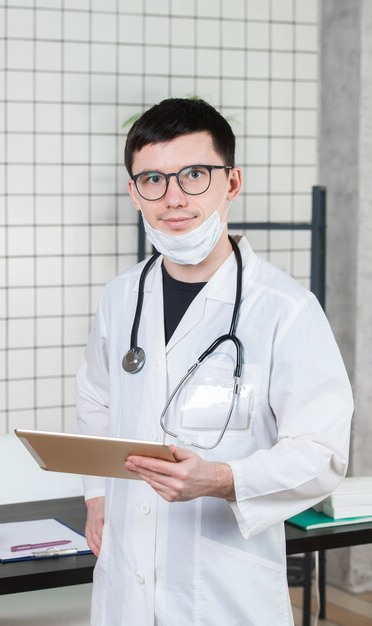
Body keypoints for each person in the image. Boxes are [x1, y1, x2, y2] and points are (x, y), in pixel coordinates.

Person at [76, 98, 353, 626]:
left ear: (232, 183)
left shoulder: (285, 309)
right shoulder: (120, 297)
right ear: (134, 193)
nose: (173, 198)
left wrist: (224, 478)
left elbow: (322, 452)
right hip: (125, 580)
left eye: (194, 175)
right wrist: (96, 496)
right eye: (153, 180)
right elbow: (96, 397)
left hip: (223, 594)